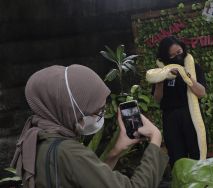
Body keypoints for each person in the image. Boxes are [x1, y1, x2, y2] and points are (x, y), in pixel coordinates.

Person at [11, 64, 168, 188]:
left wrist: (115, 152)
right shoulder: (70, 153)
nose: (101, 115)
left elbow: (87, 180)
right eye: (97, 111)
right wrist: (156, 139)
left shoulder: (39, 139)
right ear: (69, 110)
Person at [152, 36, 207, 167]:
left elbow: (201, 93)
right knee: (176, 157)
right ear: (166, 58)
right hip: (170, 118)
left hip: (191, 116)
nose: (177, 57)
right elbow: (157, 99)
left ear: (183, 49)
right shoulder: (161, 72)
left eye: (179, 52)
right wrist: (160, 82)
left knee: (197, 154)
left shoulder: (194, 67)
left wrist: (186, 76)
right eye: (172, 56)